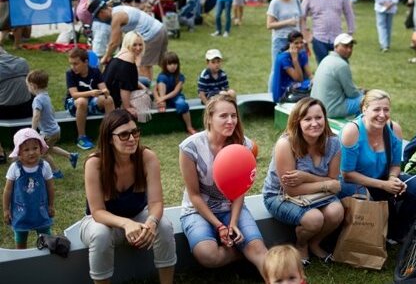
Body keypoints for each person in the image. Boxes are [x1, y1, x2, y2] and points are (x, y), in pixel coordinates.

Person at [80, 109, 176, 283]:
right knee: (100, 235)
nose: (132, 139)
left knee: (164, 225)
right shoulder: (95, 163)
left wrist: (151, 223)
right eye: (124, 135)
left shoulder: (147, 157)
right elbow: (97, 212)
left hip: (137, 216)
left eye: (135, 132)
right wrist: (126, 223)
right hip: (102, 222)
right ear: (109, 138)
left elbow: (155, 202)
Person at [179, 94, 267, 275]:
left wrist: (233, 223)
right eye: (223, 116)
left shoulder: (244, 145)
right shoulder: (190, 147)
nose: (230, 121)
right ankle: (243, 252)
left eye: (233, 115)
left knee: (260, 252)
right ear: (209, 118)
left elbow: (240, 190)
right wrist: (219, 226)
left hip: (231, 207)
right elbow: (194, 195)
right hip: (197, 210)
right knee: (207, 255)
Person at [339, 90, 416, 242]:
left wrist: (393, 178)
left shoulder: (394, 129)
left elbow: (395, 164)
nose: (382, 115)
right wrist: (384, 185)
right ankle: (386, 230)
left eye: (386, 109)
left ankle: (400, 232)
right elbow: (347, 174)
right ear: (364, 109)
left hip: (383, 177)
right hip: (357, 182)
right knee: (383, 207)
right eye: (376, 109)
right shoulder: (352, 131)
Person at [263, 98, 343, 264]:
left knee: (336, 212)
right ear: (297, 122)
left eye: (318, 118)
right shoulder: (286, 144)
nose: (314, 123)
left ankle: (315, 242)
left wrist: (306, 177)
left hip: (317, 194)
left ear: (325, 118)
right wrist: (327, 184)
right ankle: (301, 244)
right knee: (314, 219)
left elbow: (334, 180)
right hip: (279, 196)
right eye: (307, 119)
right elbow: (291, 190)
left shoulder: (334, 142)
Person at [89, 0, 168, 82]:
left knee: (143, 66)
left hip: (151, 35)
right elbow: (119, 39)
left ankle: (146, 93)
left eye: (98, 17)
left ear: (101, 12)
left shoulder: (116, 17)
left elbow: (114, 43)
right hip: (160, 28)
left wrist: (105, 57)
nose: (100, 19)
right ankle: (171, 81)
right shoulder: (118, 9)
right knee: (163, 62)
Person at [3, 128, 54, 249]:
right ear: (18, 153)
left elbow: (50, 187)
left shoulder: (45, 166)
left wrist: (51, 205)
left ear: (40, 149)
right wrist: (6, 209)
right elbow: (7, 190)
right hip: (20, 210)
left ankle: (45, 258)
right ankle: (21, 257)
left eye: (35, 148)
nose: (31, 152)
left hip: (41, 209)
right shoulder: (15, 168)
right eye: (26, 149)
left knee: (46, 237)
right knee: (20, 236)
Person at [26, 70, 79, 179]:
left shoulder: (37, 100)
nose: (28, 88)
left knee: (43, 154)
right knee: (50, 148)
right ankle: (71, 156)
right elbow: (52, 110)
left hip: (48, 133)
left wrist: (32, 130)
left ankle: (56, 172)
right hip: (55, 130)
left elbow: (36, 116)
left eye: (28, 86)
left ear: (33, 86)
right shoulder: (45, 96)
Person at [301, 0, 355, 65]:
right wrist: (306, 35)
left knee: (341, 65)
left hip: (338, 38)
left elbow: (349, 13)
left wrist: (350, 32)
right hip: (319, 39)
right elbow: (301, 17)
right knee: (323, 67)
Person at [65, 47, 115, 150]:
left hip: (91, 102)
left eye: (76, 64)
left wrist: (105, 92)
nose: (73, 67)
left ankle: (111, 132)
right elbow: (74, 94)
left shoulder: (95, 71)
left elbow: (104, 89)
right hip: (74, 103)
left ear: (86, 62)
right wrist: (91, 93)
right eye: (71, 63)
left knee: (108, 99)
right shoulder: (70, 74)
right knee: (82, 101)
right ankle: (81, 137)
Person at [310, 33, 363, 118]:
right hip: (330, 110)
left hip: (315, 106)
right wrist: (363, 93)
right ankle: (358, 129)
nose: (349, 50)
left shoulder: (326, 58)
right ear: (336, 46)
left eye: (351, 47)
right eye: (345, 46)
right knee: (368, 101)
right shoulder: (341, 65)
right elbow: (351, 94)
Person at [266, 0, 302, 91]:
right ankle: (271, 95)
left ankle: (291, 92)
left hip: (295, 41)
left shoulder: (296, 0)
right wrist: (288, 22)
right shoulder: (275, 2)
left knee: (295, 66)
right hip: (281, 40)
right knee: (276, 69)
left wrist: (302, 38)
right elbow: (269, 25)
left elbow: (300, 20)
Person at [103, 31, 148, 118]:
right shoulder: (128, 59)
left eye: (140, 44)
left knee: (145, 82)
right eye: (134, 45)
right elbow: (124, 86)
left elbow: (127, 78)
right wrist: (127, 107)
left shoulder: (122, 53)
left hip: (111, 87)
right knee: (146, 93)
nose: (138, 48)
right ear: (128, 44)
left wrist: (142, 86)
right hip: (112, 96)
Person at [153, 51, 197, 135]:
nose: (173, 66)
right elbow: (155, 90)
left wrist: (163, 98)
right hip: (163, 98)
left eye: (175, 64)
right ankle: (163, 104)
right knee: (162, 80)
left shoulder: (180, 76)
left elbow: (176, 91)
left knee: (182, 104)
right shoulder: (161, 76)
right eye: (170, 64)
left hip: (175, 97)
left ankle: (189, 127)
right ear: (165, 65)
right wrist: (159, 99)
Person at [271, 31, 313, 103]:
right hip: (284, 93)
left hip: (297, 87)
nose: (299, 45)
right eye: (296, 43)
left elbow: (310, 75)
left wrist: (315, 81)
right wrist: (295, 60)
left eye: (301, 42)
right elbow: (299, 79)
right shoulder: (283, 58)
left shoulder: (302, 54)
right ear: (290, 44)